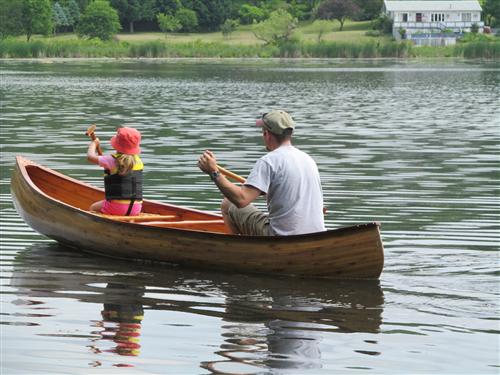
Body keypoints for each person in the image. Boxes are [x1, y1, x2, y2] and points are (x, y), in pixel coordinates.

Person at [197, 110, 326, 236]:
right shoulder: (308, 159)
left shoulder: (269, 161)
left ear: (267, 134)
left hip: (280, 237)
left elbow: (241, 200)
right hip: (316, 235)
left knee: (228, 203)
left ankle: (236, 251)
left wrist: (214, 172)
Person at [87, 127, 143, 216]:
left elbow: (90, 157)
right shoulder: (138, 161)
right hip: (136, 208)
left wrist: (93, 144)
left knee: (93, 207)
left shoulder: (111, 160)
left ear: (117, 144)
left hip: (116, 208)